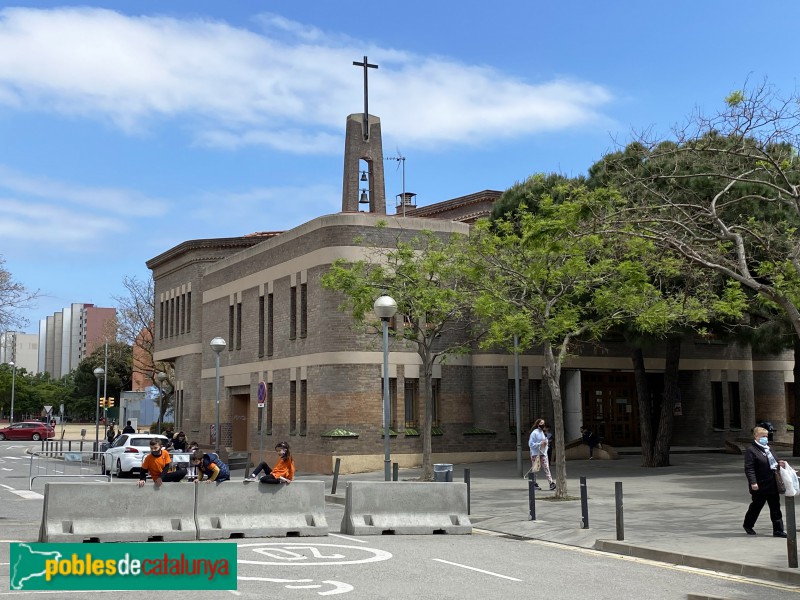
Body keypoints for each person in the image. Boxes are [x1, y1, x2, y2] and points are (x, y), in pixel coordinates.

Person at [743, 426, 787, 537]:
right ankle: (748, 524)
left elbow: (773, 461)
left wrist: (780, 463)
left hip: (772, 483)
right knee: (756, 506)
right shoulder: (751, 450)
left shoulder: (768, 448)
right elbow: (749, 468)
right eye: (763, 436)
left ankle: (778, 530)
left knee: (775, 508)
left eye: (766, 436)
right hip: (760, 484)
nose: (765, 438)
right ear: (756, 436)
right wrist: (753, 482)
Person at [528, 420, 555, 491]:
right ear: (537, 424)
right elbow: (531, 444)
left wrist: (546, 443)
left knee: (546, 467)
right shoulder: (534, 433)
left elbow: (545, 441)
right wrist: (540, 444)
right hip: (535, 453)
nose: (543, 425)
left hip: (543, 453)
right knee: (536, 469)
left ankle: (551, 483)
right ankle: (533, 483)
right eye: (541, 423)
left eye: (544, 423)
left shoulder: (543, 433)